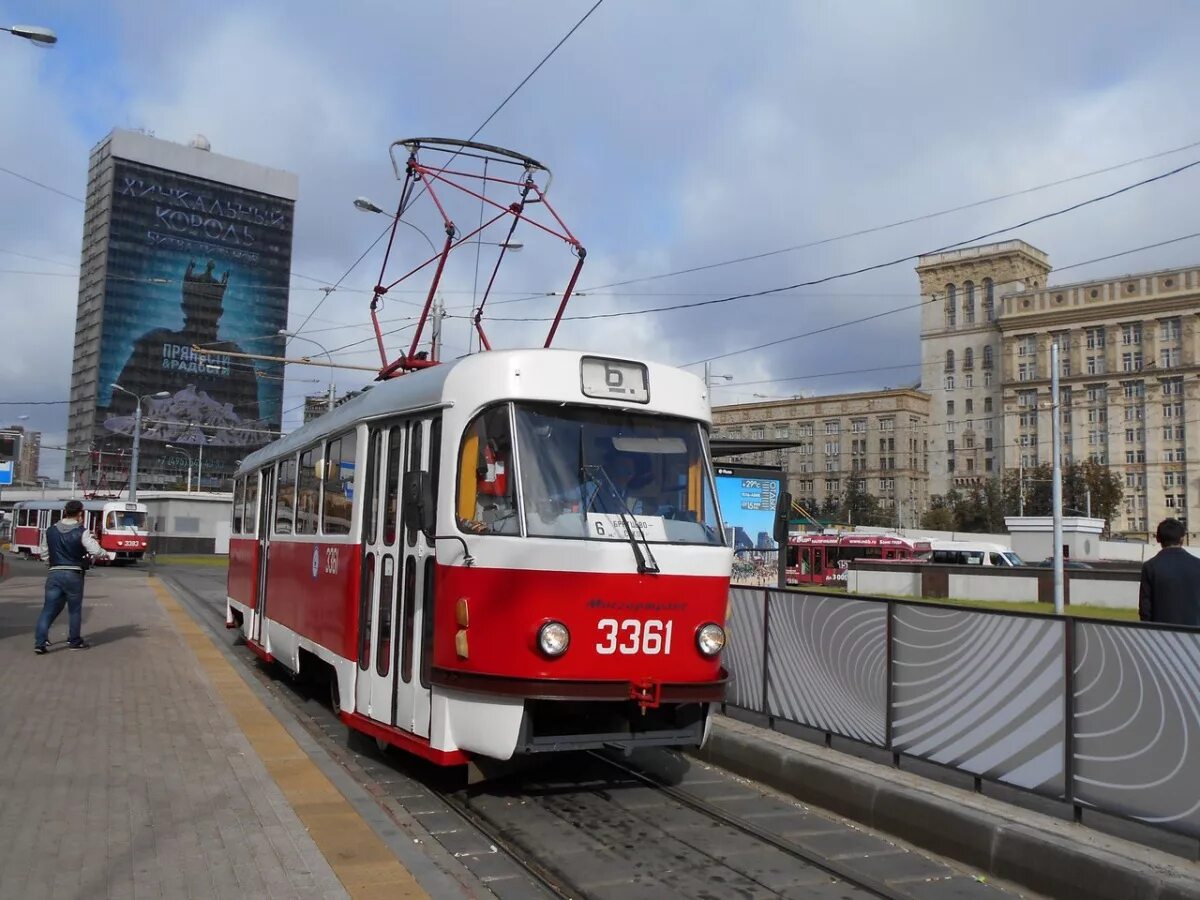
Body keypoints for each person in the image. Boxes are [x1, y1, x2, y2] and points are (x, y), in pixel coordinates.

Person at [34, 500, 114, 653]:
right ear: (80, 513)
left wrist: (51, 563)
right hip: (73, 574)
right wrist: (105, 553)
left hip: (54, 573)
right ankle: (74, 641)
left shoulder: (50, 530)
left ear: (65, 511)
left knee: (48, 609)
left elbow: (44, 552)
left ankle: (40, 643)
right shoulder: (81, 531)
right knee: (74, 610)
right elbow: (94, 550)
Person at [1139, 517, 1200, 627]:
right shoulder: (1197, 564)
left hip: (1161, 634)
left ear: (1158, 538)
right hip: (1194, 634)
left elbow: (1145, 608)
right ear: (1182, 538)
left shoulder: (1150, 567)